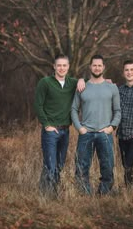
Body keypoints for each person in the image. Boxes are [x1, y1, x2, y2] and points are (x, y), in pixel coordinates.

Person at [34, 54, 85, 195]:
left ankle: (50, 193)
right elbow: (38, 105)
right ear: (54, 66)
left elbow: (92, 81)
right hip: (51, 131)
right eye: (59, 65)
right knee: (50, 164)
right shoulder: (45, 82)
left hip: (65, 130)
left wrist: (81, 79)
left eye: (64, 65)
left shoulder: (72, 83)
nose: (62, 68)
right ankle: (47, 196)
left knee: (59, 165)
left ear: (68, 67)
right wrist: (46, 124)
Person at [71, 54, 121, 195]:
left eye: (100, 65)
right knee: (81, 167)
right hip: (86, 133)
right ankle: (85, 196)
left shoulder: (112, 87)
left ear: (103, 67)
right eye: (94, 65)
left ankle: (103, 195)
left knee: (107, 167)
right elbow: (74, 109)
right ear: (90, 67)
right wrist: (80, 128)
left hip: (104, 134)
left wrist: (111, 127)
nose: (97, 68)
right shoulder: (82, 86)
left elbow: (117, 111)